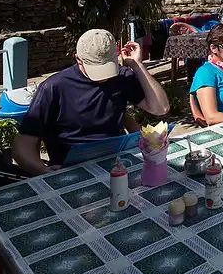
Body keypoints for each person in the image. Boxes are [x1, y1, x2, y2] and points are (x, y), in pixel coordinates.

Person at [13, 29, 170, 175]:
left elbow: (160, 108)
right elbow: (23, 145)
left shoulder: (121, 77)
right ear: (77, 59)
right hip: (72, 169)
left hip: (118, 161)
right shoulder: (53, 88)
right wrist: (42, 170)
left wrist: (137, 66)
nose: (104, 77)